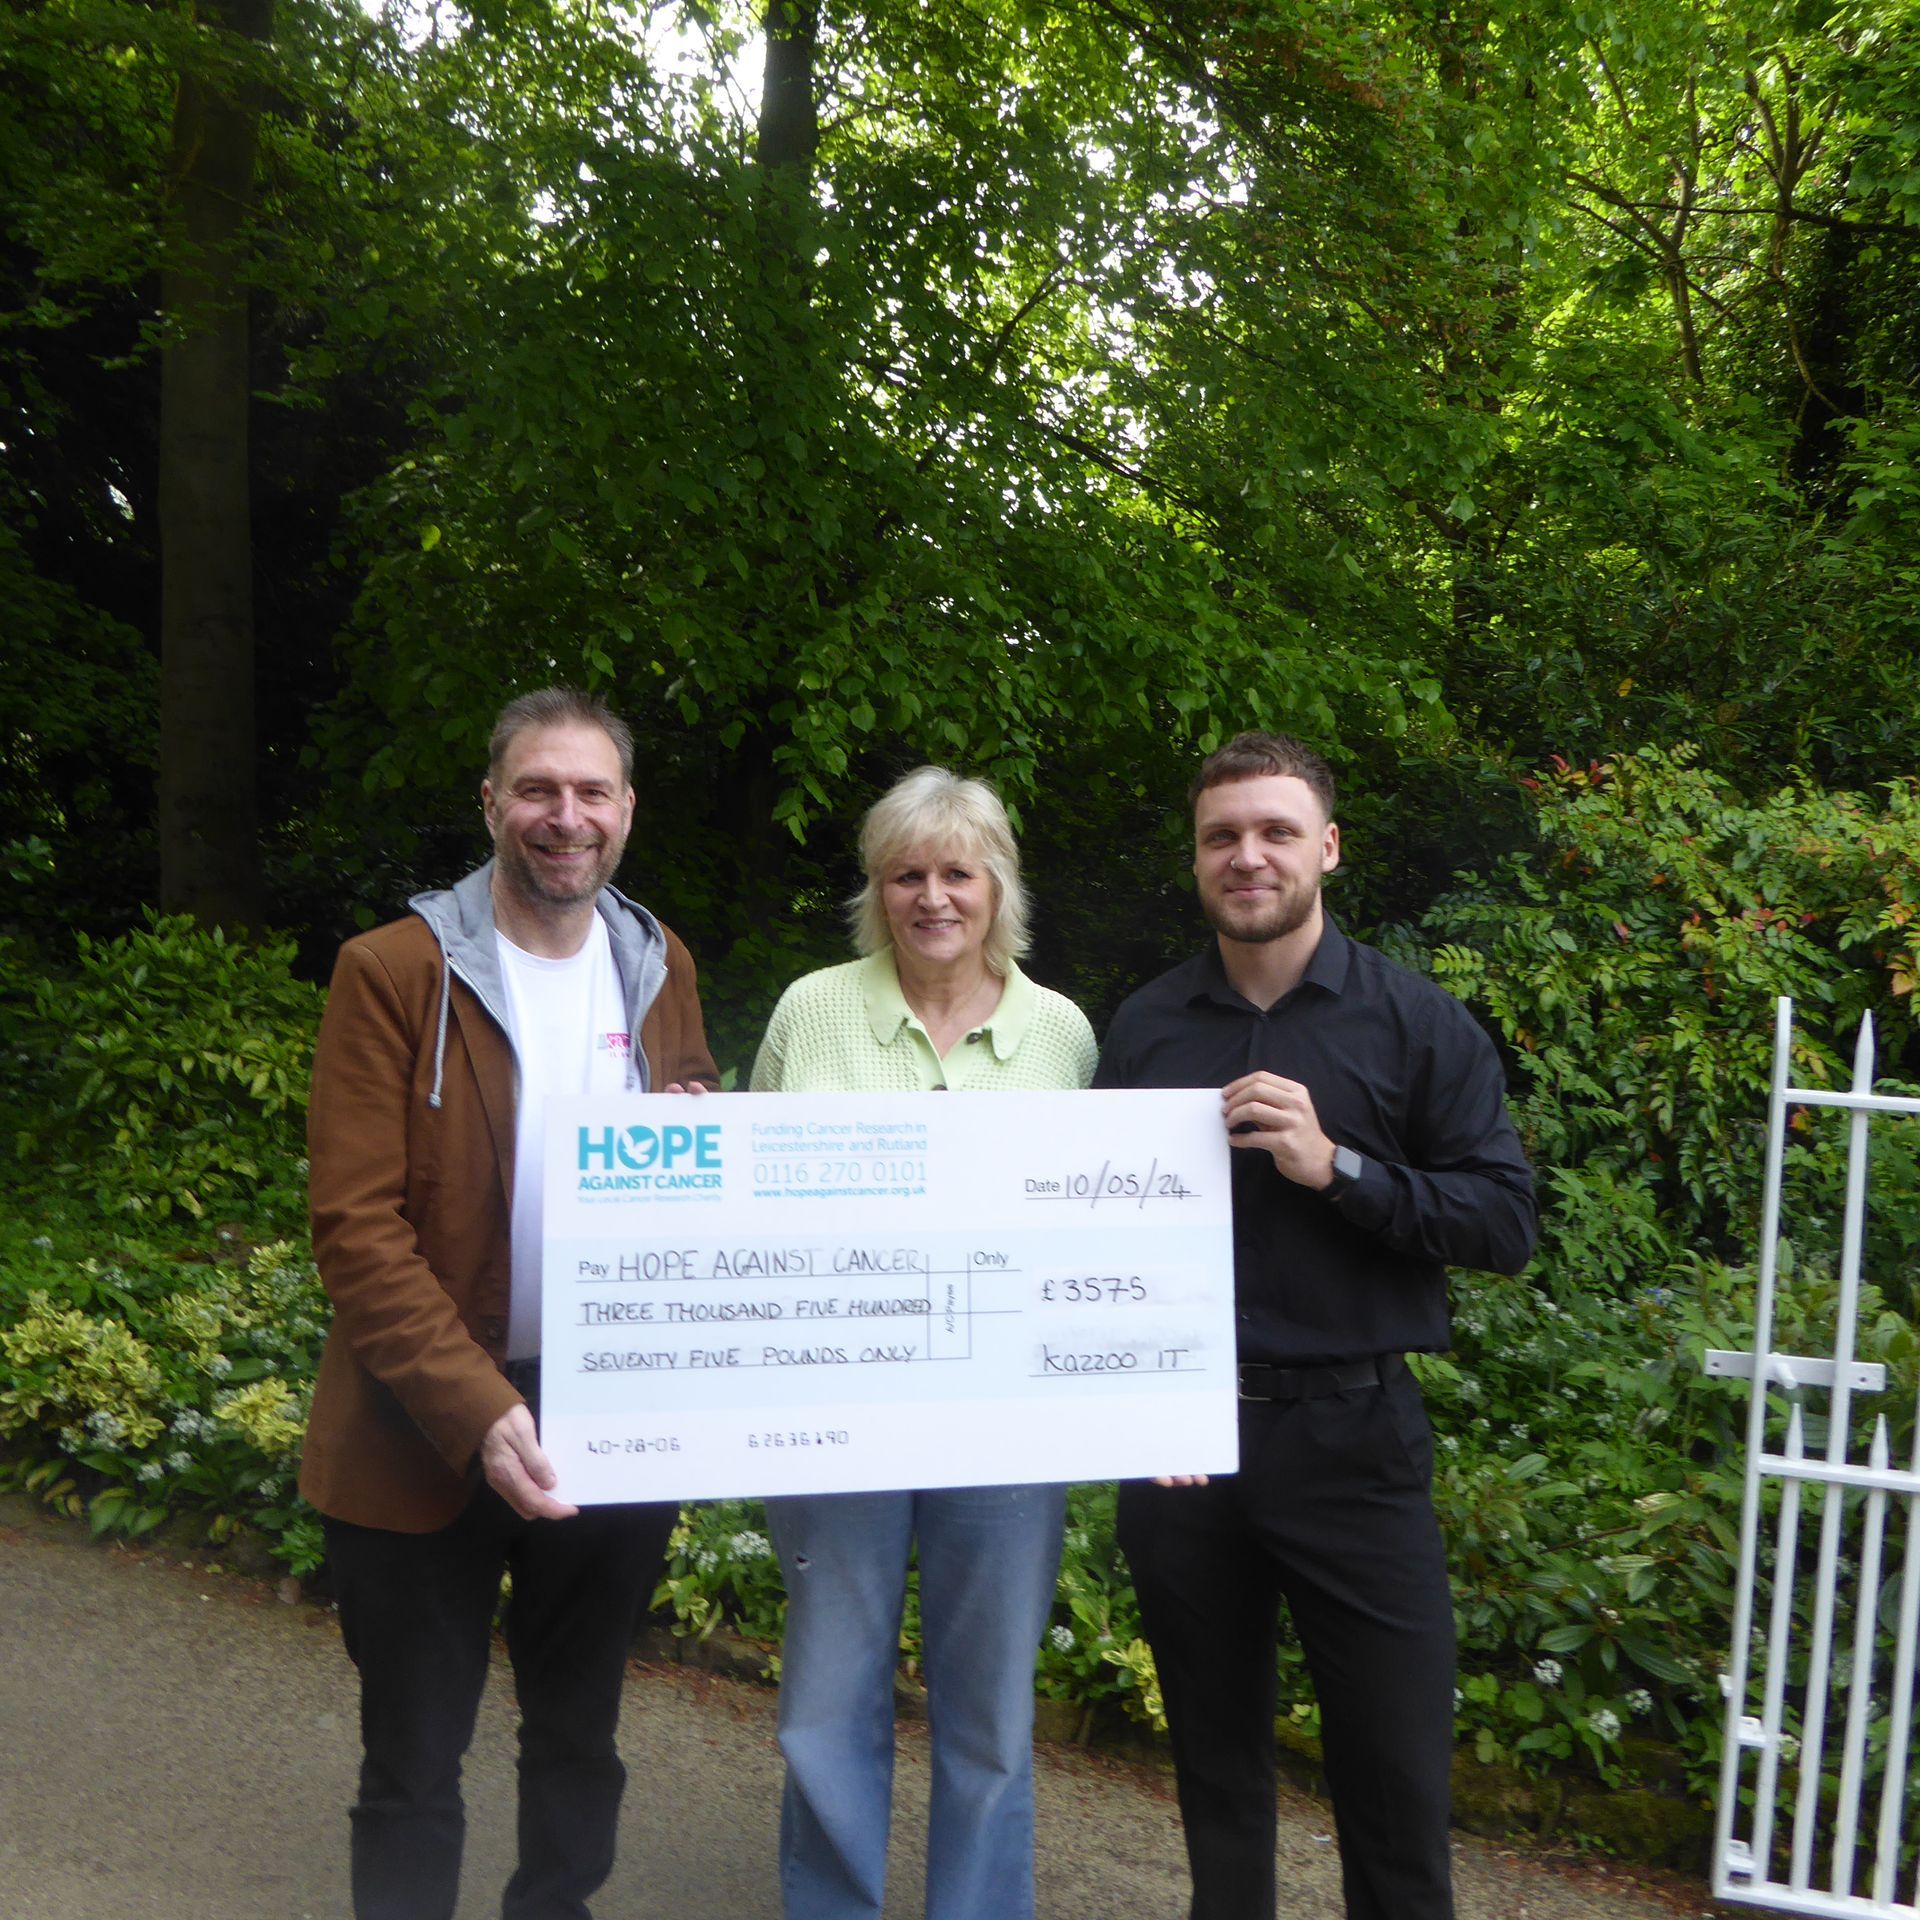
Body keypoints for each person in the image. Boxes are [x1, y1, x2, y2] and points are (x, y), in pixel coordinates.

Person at [1094, 731, 1537, 1920]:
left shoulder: (1414, 1024)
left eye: (1276, 831)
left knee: (1393, 1789)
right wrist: (1119, 1400)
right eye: (1222, 837)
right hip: (1184, 1454)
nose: (1249, 856)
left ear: (1326, 848)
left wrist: (1338, 1165)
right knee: (1215, 1778)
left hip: (1354, 1442)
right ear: (1195, 861)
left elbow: (1503, 1222)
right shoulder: (1142, 1031)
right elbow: (1089, 1246)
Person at [300, 687, 721, 1920]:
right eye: (537, 789)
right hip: (420, 1420)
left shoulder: (659, 966)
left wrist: (700, 1151)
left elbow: (688, 1152)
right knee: (414, 1761)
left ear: (628, 810)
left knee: (579, 1737)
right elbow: (357, 1229)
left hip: (609, 1415)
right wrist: (481, 1410)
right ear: (491, 802)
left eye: (593, 792)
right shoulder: (392, 971)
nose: (565, 817)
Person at [749, 765, 1097, 1920]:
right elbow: (748, 1209)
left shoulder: (1064, 1036)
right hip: (836, 1416)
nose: (933, 895)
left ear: (998, 886)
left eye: (959, 872)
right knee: (827, 1696)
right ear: (876, 888)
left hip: (1006, 1423)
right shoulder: (810, 1009)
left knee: (991, 1709)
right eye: (908, 873)